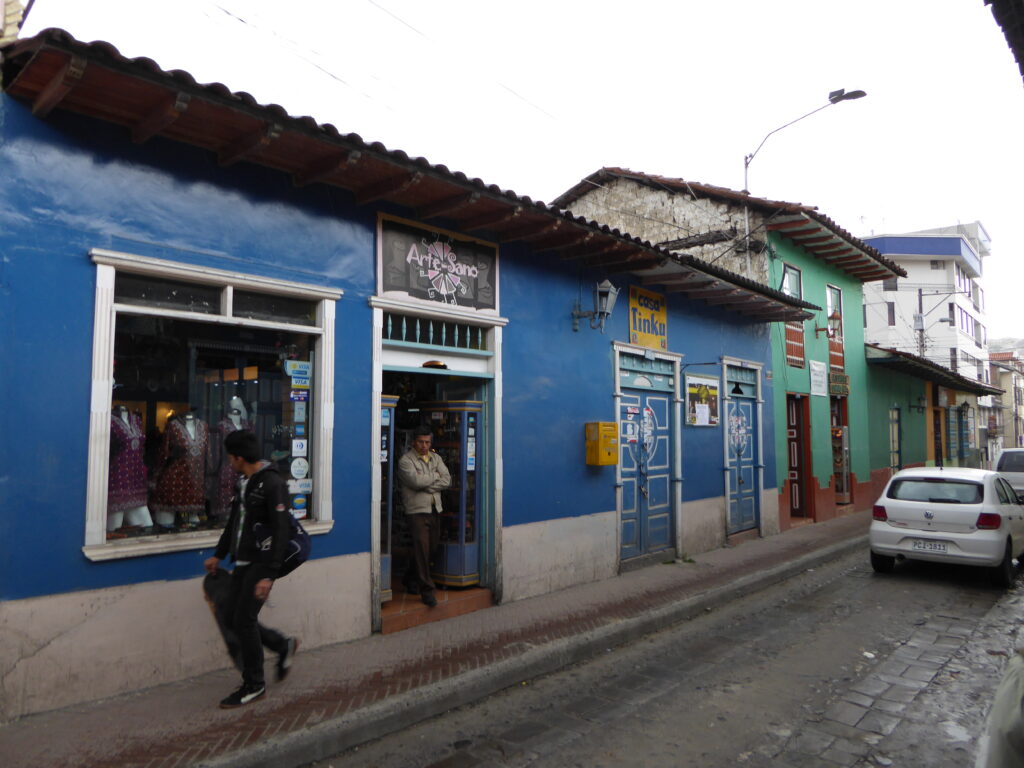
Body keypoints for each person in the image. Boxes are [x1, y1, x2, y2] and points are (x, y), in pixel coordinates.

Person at [204, 430, 298, 709]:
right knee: (233, 617)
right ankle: (282, 645)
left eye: (231, 458)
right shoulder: (243, 482)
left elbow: (281, 531)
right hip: (242, 561)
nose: (229, 462)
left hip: (261, 562)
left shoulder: (272, 483)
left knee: (243, 620)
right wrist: (219, 555)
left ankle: (254, 684)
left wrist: (270, 574)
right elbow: (235, 521)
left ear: (238, 458)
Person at [397, 425, 451, 608]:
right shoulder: (406, 461)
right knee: (422, 550)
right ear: (414, 442)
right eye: (420, 442)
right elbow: (415, 481)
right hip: (417, 512)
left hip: (435, 509)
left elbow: (447, 479)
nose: (424, 445)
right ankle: (427, 591)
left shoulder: (436, 458)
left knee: (430, 550)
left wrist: (427, 484)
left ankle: (409, 578)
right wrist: (434, 477)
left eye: (427, 442)